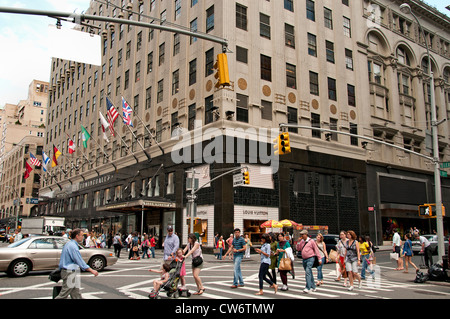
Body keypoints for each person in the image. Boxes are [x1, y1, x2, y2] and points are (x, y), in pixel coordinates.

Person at [55, 229, 99, 299]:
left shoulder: (68, 244)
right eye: (82, 235)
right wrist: (91, 270)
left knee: (76, 294)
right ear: (77, 236)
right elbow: (79, 260)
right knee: (63, 295)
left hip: (68, 271)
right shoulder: (73, 246)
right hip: (69, 272)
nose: (83, 237)